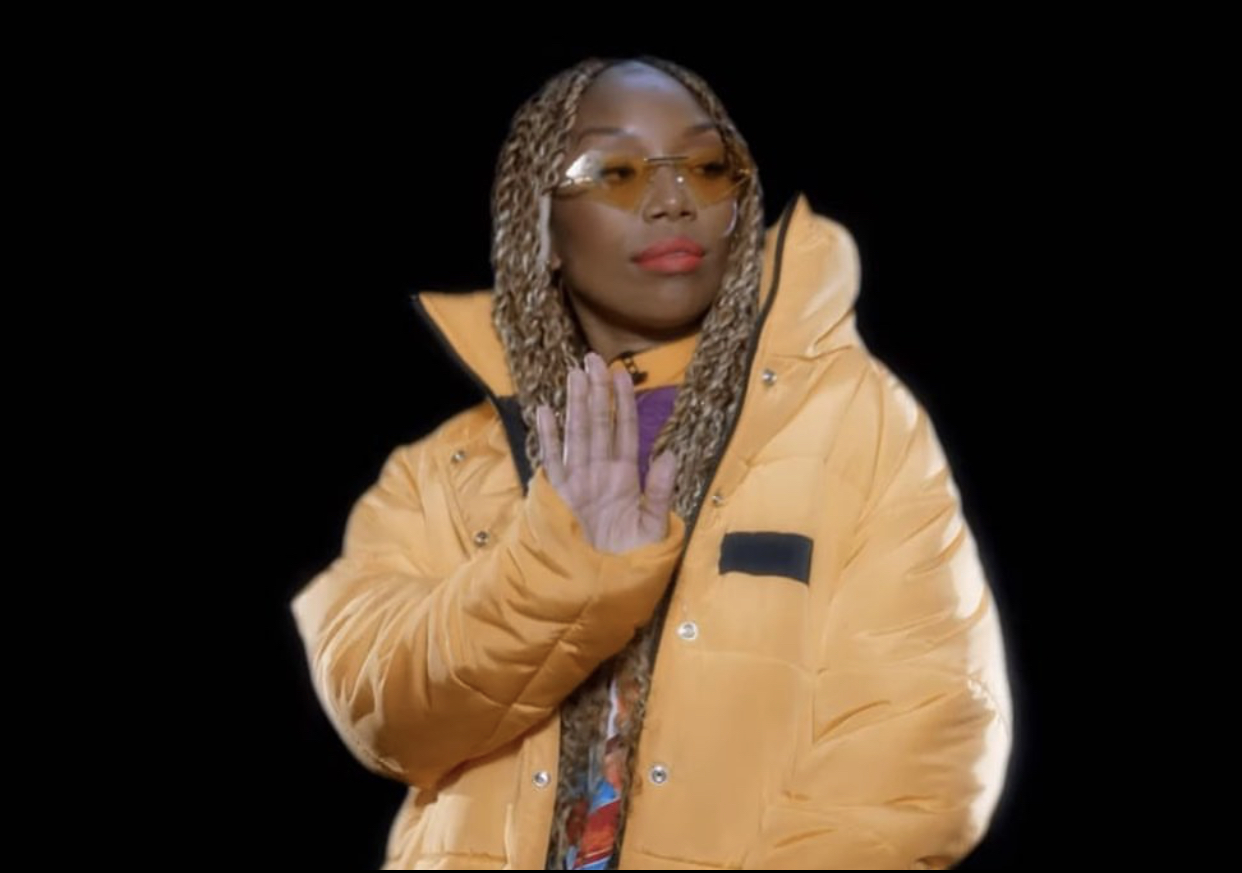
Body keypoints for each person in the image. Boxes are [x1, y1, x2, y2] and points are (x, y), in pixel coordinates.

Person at [290, 55, 1013, 870]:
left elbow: (919, 750)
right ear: (539, 228)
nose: (674, 198)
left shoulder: (853, 420)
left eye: (707, 165)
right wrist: (565, 567)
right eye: (616, 171)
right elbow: (383, 712)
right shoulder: (443, 470)